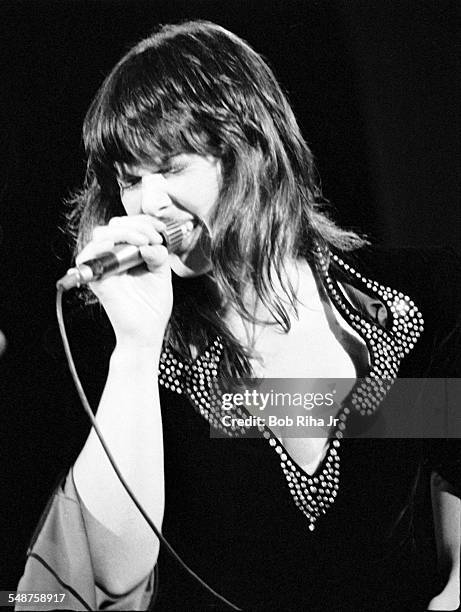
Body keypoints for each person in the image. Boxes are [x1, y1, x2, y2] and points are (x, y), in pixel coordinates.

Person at [16, 20, 460, 611]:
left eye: (172, 167)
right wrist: (138, 348)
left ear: (250, 150)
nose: (149, 203)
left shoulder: (417, 301)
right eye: (130, 179)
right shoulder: (114, 344)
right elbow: (112, 577)